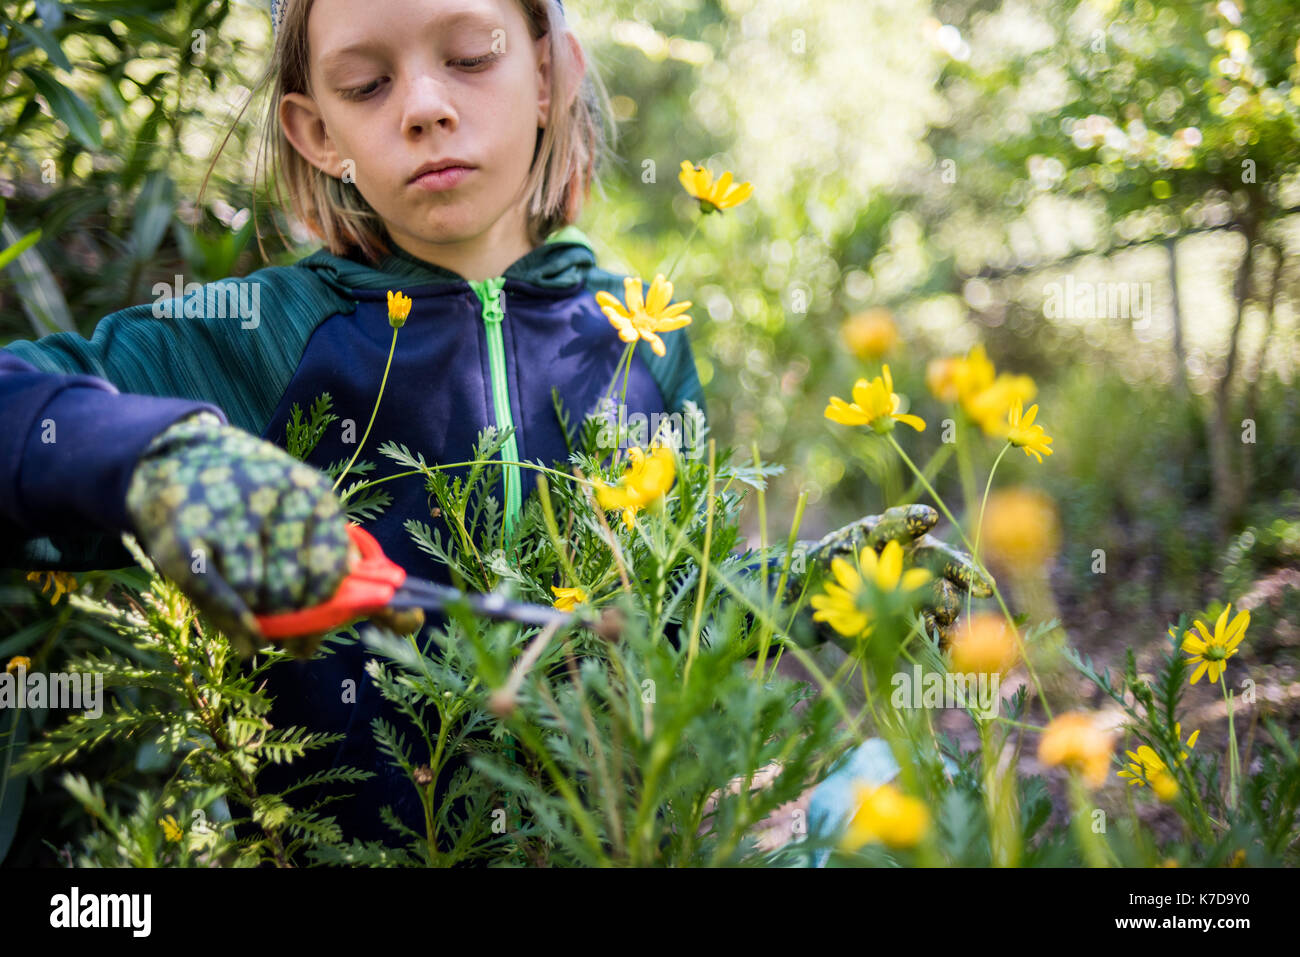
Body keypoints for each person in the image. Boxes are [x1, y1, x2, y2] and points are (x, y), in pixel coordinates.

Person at [0, 0, 983, 849]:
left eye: (469, 57)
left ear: (552, 74)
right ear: (314, 132)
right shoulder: (258, 338)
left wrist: (808, 594)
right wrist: (155, 458)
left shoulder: (643, 334)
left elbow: (649, 617)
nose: (426, 105)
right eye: (365, 83)